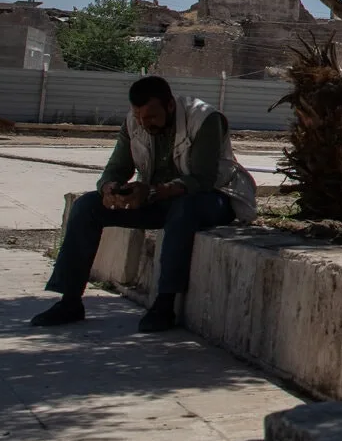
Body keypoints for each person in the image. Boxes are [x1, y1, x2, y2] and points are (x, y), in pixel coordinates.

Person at [31, 75, 258, 333]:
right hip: (158, 199)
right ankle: (70, 301)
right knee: (87, 206)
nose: (144, 124)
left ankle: (164, 304)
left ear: (170, 106)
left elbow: (202, 180)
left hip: (214, 198)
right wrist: (110, 189)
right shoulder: (134, 122)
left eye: (151, 117)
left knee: (183, 211)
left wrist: (153, 192)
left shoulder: (204, 118)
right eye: (139, 118)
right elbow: (116, 168)